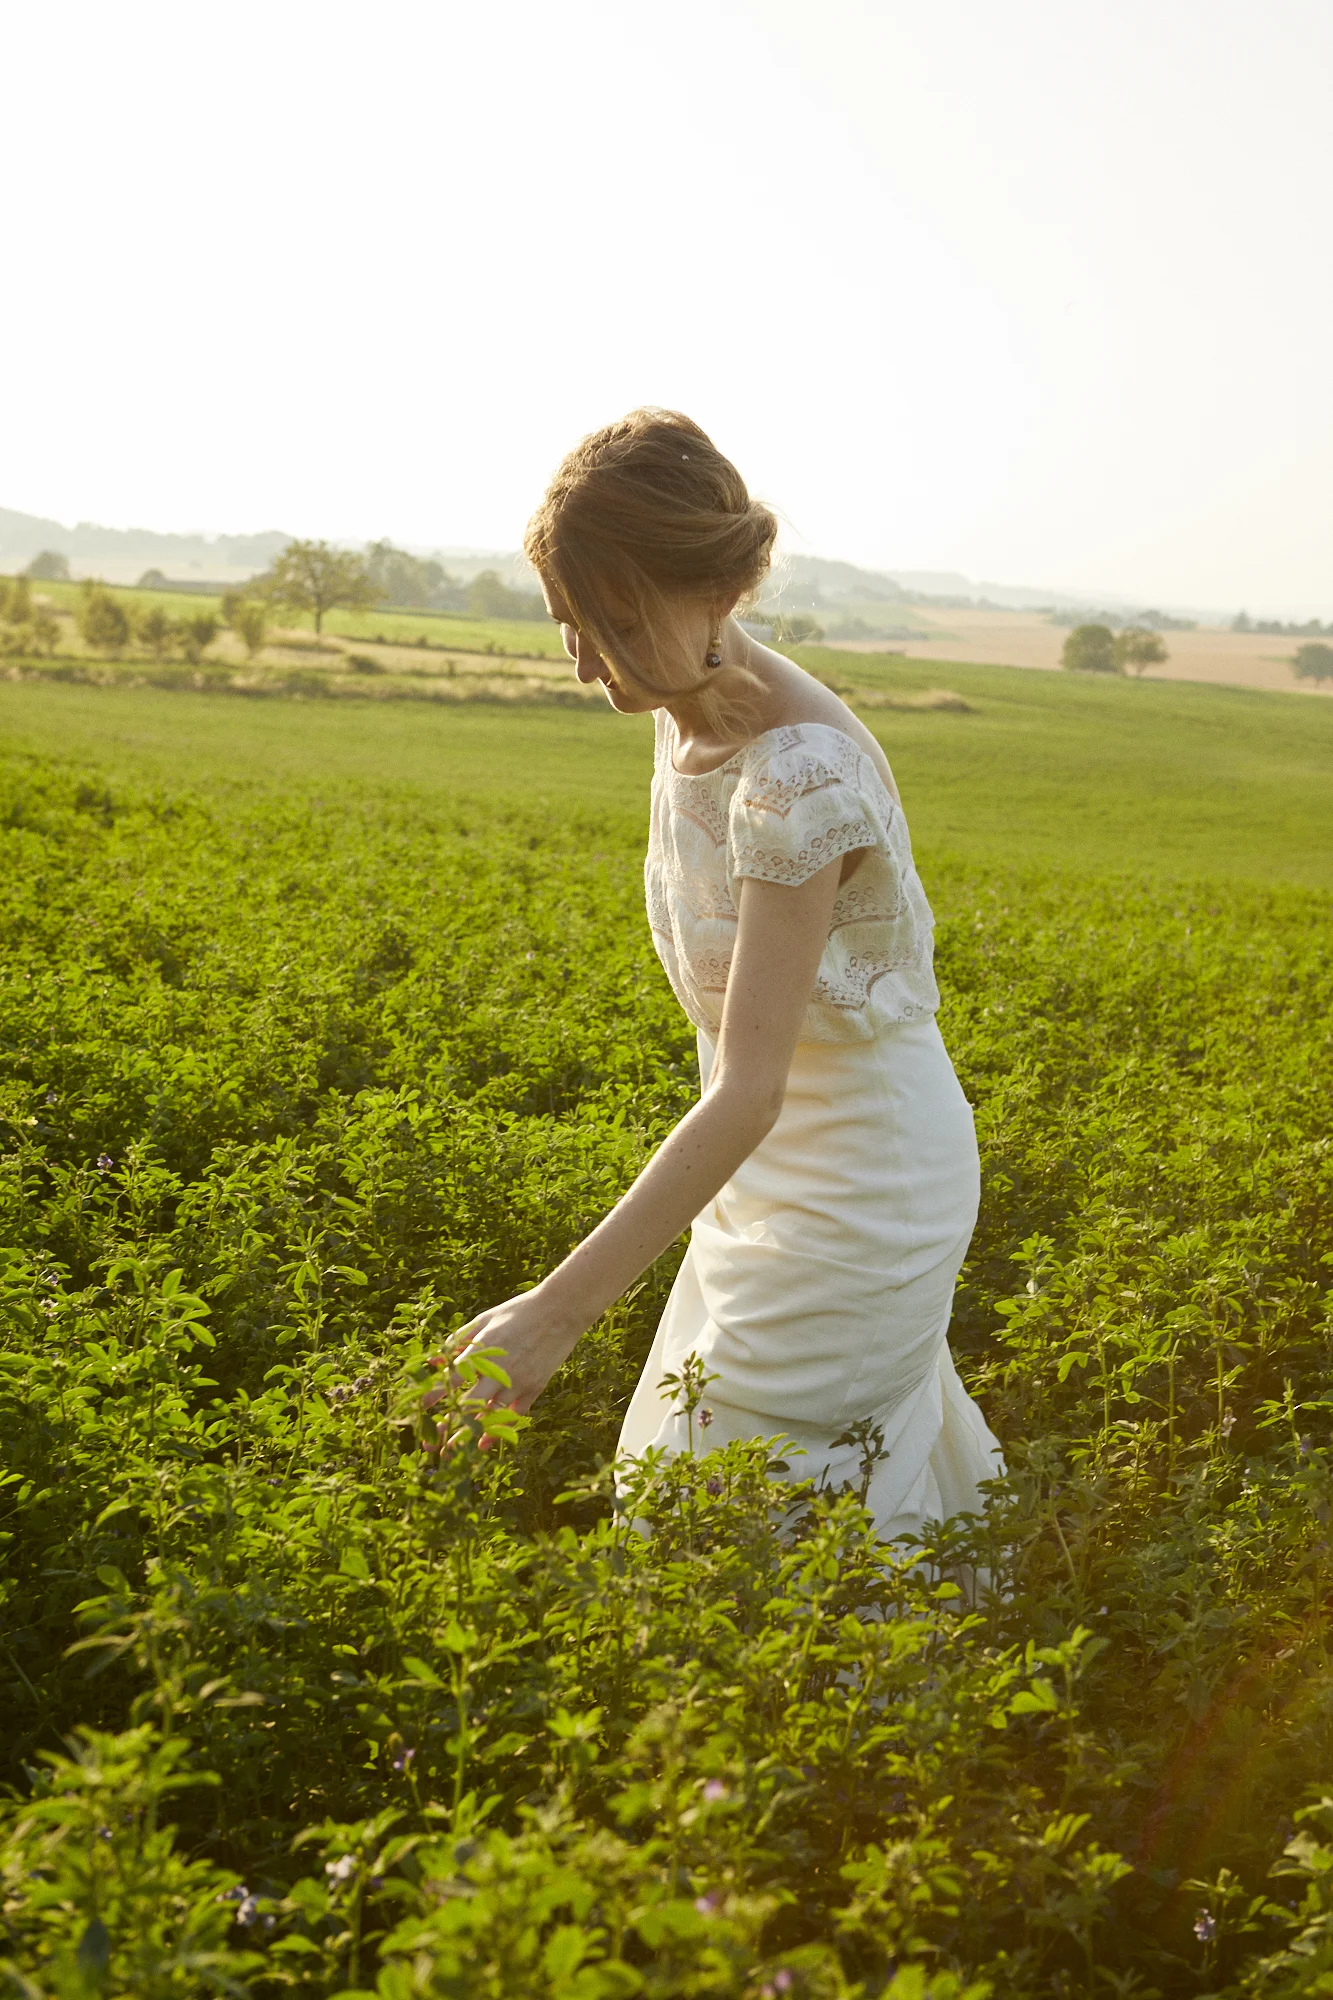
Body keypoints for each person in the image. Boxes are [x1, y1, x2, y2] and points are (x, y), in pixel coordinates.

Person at [433, 408, 1002, 1544]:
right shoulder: (683, 691)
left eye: (609, 621)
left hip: (859, 1189)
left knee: (735, 1494)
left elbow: (752, 1086)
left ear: (704, 589)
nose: (583, 659)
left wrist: (550, 1316)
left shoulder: (797, 773)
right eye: (564, 624)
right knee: (721, 1468)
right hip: (757, 1175)